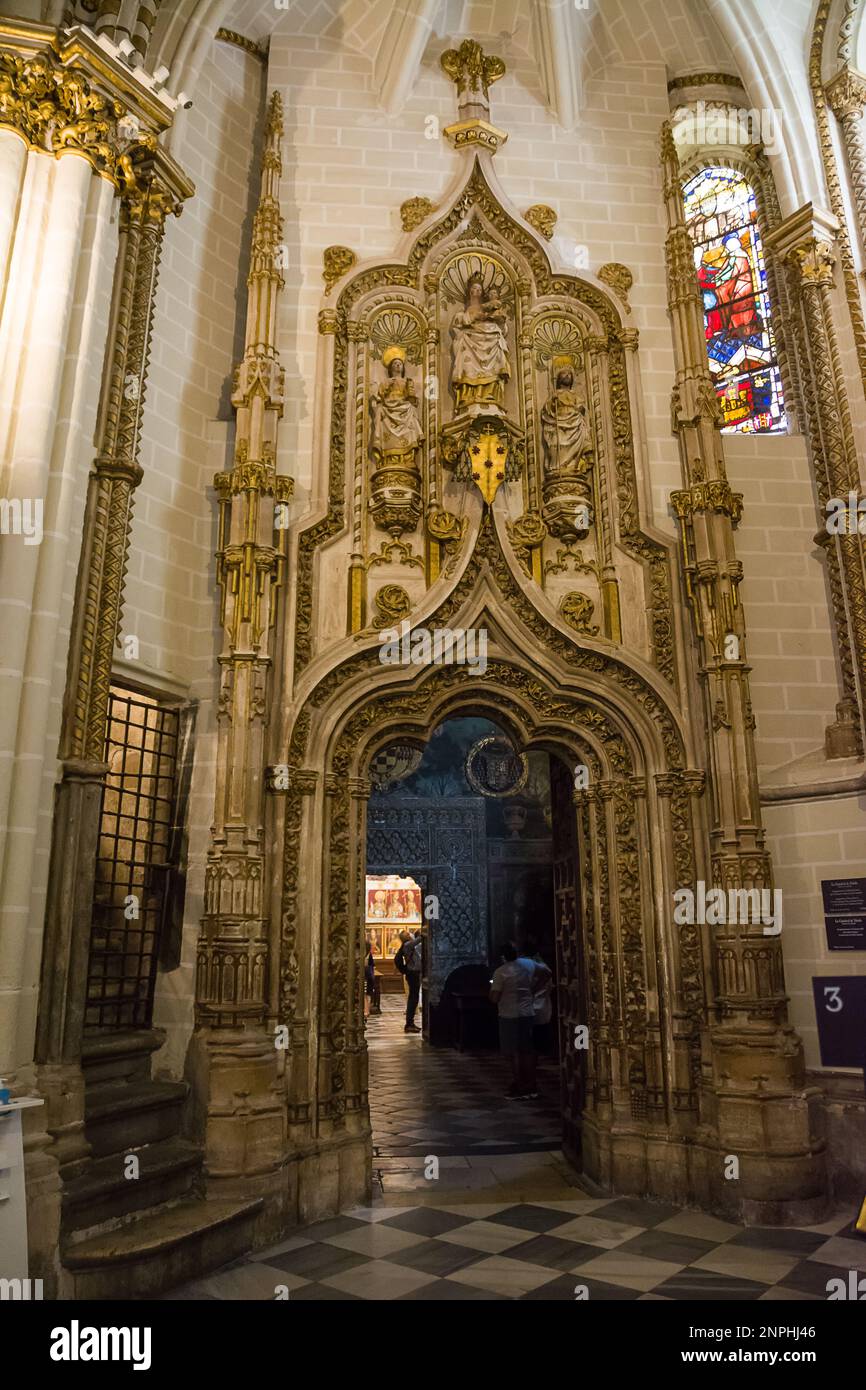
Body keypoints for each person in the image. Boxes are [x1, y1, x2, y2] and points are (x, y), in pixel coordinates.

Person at [490, 941, 551, 1098]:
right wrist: (533, 989)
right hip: (527, 1013)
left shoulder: (501, 972)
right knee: (527, 1051)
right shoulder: (528, 964)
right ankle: (531, 1084)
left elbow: (495, 997)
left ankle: (519, 1085)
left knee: (514, 1052)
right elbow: (547, 973)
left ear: (502, 957)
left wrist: (491, 994)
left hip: (509, 1015)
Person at [394, 929, 423, 1034]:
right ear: (406, 937)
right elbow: (420, 939)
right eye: (408, 933)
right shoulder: (407, 945)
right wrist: (427, 930)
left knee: (414, 998)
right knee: (413, 999)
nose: (410, 934)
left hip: (414, 973)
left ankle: (410, 1023)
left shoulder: (407, 945)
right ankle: (409, 1024)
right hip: (413, 974)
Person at [364, 937, 380, 1017]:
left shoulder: (364, 956)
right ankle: (367, 1010)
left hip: (365, 976)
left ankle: (366, 1011)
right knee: (368, 994)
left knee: (364, 994)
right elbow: (373, 965)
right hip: (370, 976)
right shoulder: (369, 955)